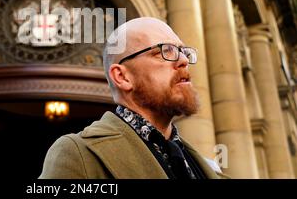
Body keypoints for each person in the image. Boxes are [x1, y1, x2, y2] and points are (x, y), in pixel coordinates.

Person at [39, 17, 226, 179]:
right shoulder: (78, 154)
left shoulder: (207, 167)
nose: (184, 61)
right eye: (165, 51)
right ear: (122, 77)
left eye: (184, 52)